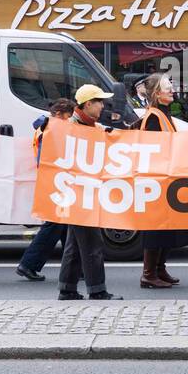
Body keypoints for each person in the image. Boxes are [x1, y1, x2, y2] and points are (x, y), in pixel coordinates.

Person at [58, 84, 122, 301]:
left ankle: (67, 289)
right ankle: (97, 290)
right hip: (80, 193)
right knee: (92, 243)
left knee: (75, 245)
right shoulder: (72, 128)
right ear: (87, 105)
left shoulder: (87, 125)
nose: (103, 106)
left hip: (80, 192)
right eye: (99, 102)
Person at [137, 73, 188, 289]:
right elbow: (155, 150)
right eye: (167, 87)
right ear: (156, 93)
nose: (171, 90)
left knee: (168, 227)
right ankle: (148, 274)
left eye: (171, 86)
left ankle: (160, 269)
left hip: (167, 178)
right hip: (157, 181)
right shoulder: (154, 117)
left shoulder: (163, 114)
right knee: (156, 229)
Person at [15, 97, 76, 282]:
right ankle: (28, 264)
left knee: (65, 225)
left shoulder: (46, 126)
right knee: (55, 226)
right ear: (58, 114)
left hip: (52, 181)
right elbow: (50, 158)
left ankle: (75, 267)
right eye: (67, 117)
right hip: (54, 182)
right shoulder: (52, 129)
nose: (69, 121)